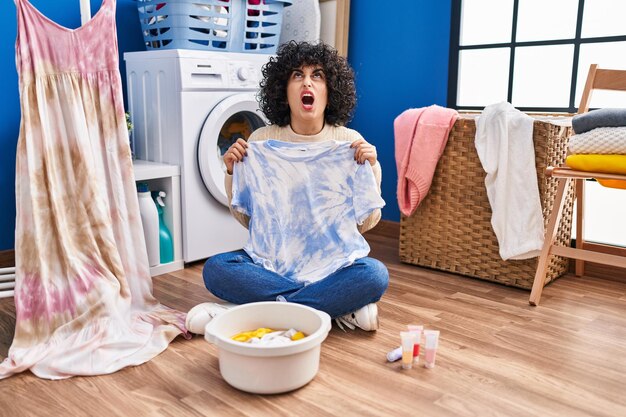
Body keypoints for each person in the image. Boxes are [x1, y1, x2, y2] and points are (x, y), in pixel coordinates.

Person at [186, 41, 388, 334]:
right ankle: (332, 309)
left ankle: (246, 312)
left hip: (331, 267)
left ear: (330, 91)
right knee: (216, 268)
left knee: (374, 274)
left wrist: (372, 169)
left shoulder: (349, 143)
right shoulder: (260, 141)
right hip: (271, 266)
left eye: (317, 75)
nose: (307, 81)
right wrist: (232, 171)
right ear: (284, 90)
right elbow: (248, 220)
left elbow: (365, 223)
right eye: (297, 75)